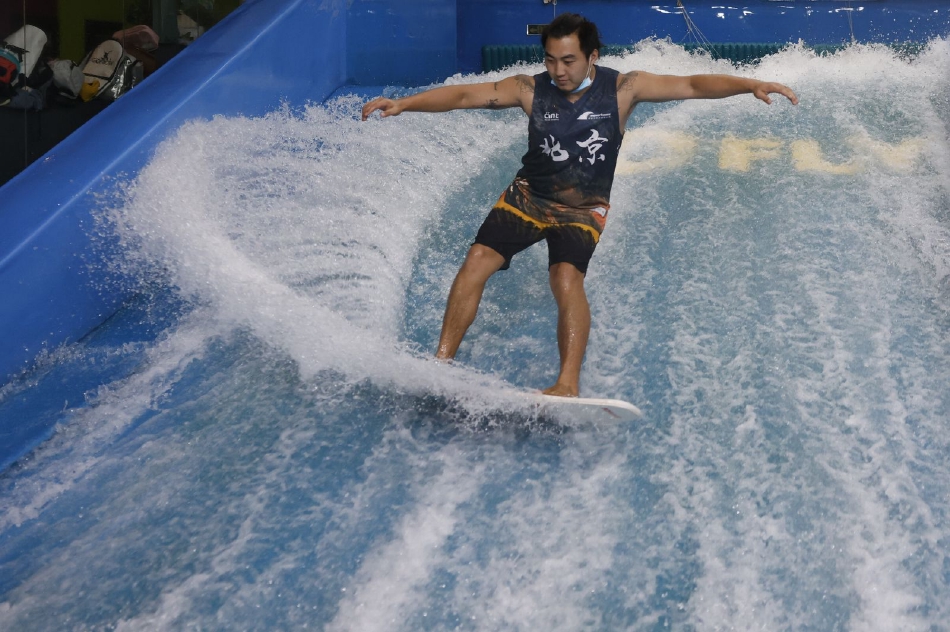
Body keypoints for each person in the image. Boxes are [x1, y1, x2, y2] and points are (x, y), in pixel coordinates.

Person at [361, 13, 798, 397]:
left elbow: (692, 84)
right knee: (477, 260)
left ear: (592, 56)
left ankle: (567, 383)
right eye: (551, 60)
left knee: (565, 279)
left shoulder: (625, 88)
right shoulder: (529, 89)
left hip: (583, 208)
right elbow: (462, 96)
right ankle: (441, 366)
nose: (558, 70)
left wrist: (750, 85)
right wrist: (404, 104)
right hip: (529, 197)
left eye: (568, 60)